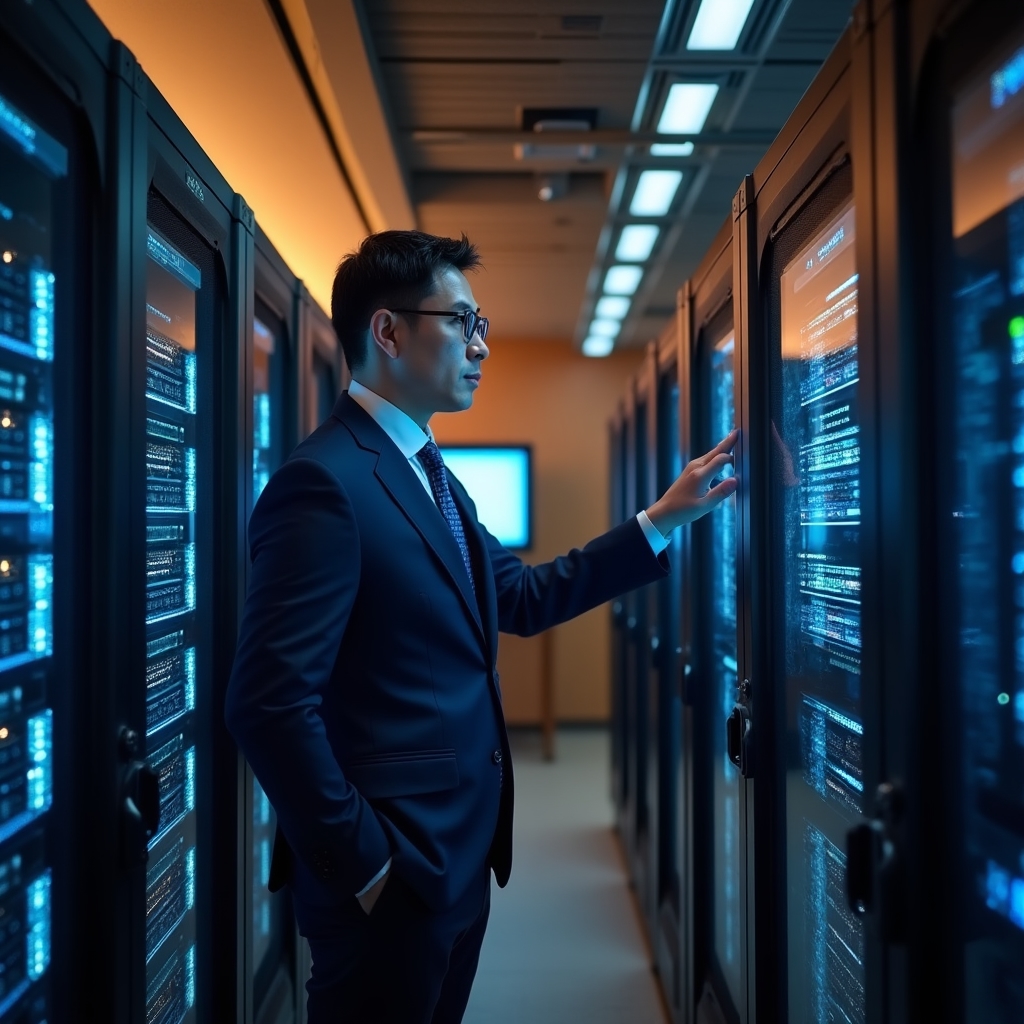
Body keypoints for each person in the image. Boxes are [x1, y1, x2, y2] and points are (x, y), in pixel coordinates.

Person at [224, 230, 738, 1024]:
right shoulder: (322, 484)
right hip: (393, 876)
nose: (481, 345)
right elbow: (267, 704)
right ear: (387, 331)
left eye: (483, 325)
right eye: (461, 322)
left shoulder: (427, 470)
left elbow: (524, 598)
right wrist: (365, 868)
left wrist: (664, 519)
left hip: (455, 861)